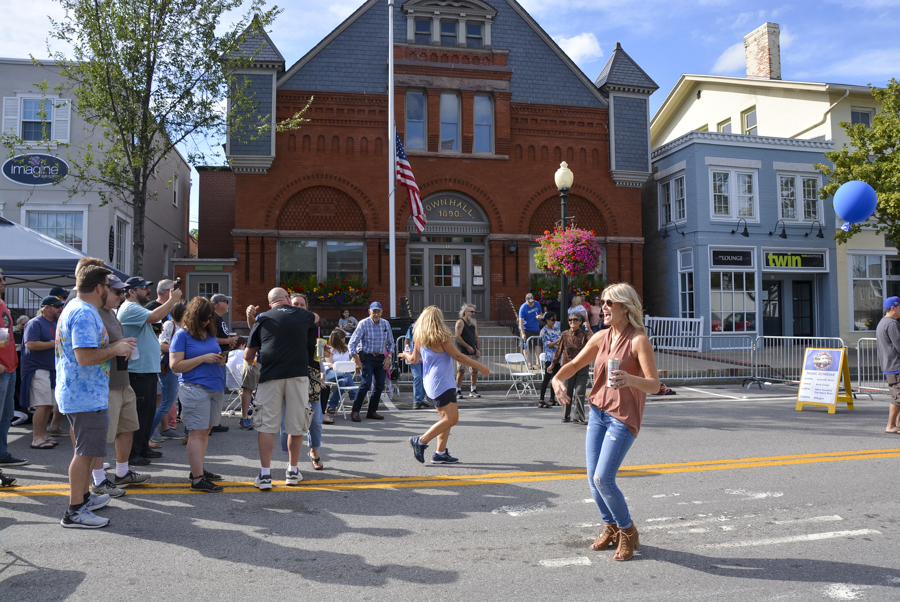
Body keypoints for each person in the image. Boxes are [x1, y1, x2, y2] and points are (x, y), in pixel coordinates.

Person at [551, 282, 660, 561]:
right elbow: (575, 365)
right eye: (603, 302)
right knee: (592, 479)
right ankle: (610, 527)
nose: (603, 308)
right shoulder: (601, 337)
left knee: (603, 478)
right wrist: (556, 379)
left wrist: (630, 379)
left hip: (623, 418)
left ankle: (627, 531)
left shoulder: (638, 341)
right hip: (598, 413)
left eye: (610, 302)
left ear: (626, 306)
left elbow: (654, 385)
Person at [56, 262, 136, 528]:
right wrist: (116, 349)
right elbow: (85, 356)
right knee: (84, 453)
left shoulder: (77, 308)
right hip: (84, 395)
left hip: (84, 393)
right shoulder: (83, 313)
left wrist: (116, 345)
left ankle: (83, 498)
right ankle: (74, 511)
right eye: (110, 287)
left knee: (88, 451)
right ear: (100, 288)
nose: (114, 293)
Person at [245, 288, 316, 489]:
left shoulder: (263, 319)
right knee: (296, 425)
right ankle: (292, 471)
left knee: (266, 426)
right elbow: (316, 318)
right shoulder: (303, 315)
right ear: (287, 299)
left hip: (270, 377)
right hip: (298, 376)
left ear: (270, 303)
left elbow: (248, 356)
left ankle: (265, 475)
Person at [403, 306, 489, 464]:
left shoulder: (420, 337)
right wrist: (479, 365)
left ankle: (440, 453)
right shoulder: (441, 337)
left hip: (431, 383)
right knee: (452, 419)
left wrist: (405, 354)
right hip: (442, 382)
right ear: (438, 319)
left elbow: (414, 360)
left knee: (445, 418)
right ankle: (420, 441)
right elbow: (458, 356)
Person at [95, 275, 151, 495]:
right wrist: (119, 345)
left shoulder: (111, 313)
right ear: (101, 290)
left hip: (122, 380)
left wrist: (123, 345)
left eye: (122, 292)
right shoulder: (93, 314)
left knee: (127, 428)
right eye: (117, 292)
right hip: (106, 384)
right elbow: (89, 351)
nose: (121, 296)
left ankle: (122, 473)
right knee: (101, 435)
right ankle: (98, 480)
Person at [119, 276, 183, 465]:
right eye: (143, 288)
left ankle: (143, 447)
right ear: (131, 291)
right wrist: (172, 300)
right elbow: (155, 316)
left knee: (147, 412)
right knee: (138, 413)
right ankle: (133, 453)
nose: (147, 291)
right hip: (137, 370)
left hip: (145, 369)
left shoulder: (137, 308)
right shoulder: (129, 308)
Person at [169, 296, 227, 493]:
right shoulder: (182, 335)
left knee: (206, 430)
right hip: (194, 387)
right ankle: (197, 478)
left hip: (214, 386)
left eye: (210, 318)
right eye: (204, 318)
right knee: (197, 431)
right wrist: (202, 358)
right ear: (194, 316)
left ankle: (198, 470)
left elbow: (212, 354)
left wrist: (220, 359)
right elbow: (175, 365)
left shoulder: (209, 333)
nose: (207, 321)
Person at [21, 296, 65, 449]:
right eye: (57, 306)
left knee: (48, 405)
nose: (60, 309)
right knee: (42, 404)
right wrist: (54, 343)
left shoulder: (53, 323)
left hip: (50, 369)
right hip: (38, 368)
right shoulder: (35, 323)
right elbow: (30, 345)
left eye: (61, 306)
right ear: (46, 307)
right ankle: (36, 438)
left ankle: (42, 435)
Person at [347, 301, 393, 422]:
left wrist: (389, 357)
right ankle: (355, 411)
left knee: (380, 385)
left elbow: (391, 343)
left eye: (378, 312)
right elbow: (352, 343)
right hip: (367, 357)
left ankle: (372, 411)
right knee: (366, 383)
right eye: (374, 312)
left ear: (381, 312)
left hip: (381, 357)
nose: (376, 314)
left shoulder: (385, 324)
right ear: (369, 312)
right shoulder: (363, 323)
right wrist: (356, 359)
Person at [0, 270, 27, 468]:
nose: (3, 282)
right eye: (0, 279)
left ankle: (1, 454)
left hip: (9, 368)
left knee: (6, 416)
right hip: (2, 369)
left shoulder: (2, 303)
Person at [152, 300, 187, 441]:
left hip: (176, 369)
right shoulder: (169, 324)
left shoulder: (183, 327)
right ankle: (149, 431)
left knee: (167, 402)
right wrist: (180, 350)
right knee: (166, 402)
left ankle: (164, 429)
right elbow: (161, 345)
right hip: (168, 368)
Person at [549, 311, 591, 423]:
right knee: (567, 391)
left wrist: (589, 328)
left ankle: (578, 417)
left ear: (580, 322)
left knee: (580, 392)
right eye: (570, 320)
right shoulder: (565, 334)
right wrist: (553, 364)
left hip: (582, 365)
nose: (572, 322)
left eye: (575, 319)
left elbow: (594, 342)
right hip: (567, 366)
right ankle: (565, 415)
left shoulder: (585, 334)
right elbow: (559, 350)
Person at [876, 296, 900, 434]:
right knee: (898, 397)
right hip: (895, 366)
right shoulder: (891, 324)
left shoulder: (883, 322)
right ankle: (890, 425)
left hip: (890, 365)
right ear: (893, 308)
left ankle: (898, 425)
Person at [323, 329, 355, 421]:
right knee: (346, 374)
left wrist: (353, 361)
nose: (344, 339)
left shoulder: (347, 348)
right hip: (330, 373)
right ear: (336, 339)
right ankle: (354, 396)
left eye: (344, 337)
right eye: (342, 337)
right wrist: (341, 368)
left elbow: (353, 358)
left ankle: (331, 406)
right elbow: (330, 365)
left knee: (342, 382)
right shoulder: (329, 349)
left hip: (344, 374)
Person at [454, 303, 481, 398]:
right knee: (461, 370)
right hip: (462, 351)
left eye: (474, 312)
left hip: (473, 350)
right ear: (465, 312)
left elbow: (476, 337)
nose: (473, 313)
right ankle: (458, 390)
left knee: (475, 370)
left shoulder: (473, 323)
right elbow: (457, 336)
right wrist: (467, 346)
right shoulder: (460, 322)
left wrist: (478, 349)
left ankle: (473, 390)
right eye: (471, 311)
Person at [538, 312, 561, 408]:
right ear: (547, 320)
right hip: (550, 357)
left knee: (555, 378)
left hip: (558, 357)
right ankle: (541, 400)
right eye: (552, 320)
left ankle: (552, 399)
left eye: (555, 320)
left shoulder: (556, 328)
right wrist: (559, 340)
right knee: (547, 379)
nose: (554, 322)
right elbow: (549, 344)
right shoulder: (544, 331)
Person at [404, 321, 428, 410]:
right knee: (418, 377)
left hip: (426, 358)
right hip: (415, 357)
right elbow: (407, 340)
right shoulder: (413, 327)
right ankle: (417, 401)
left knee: (425, 379)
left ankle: (421, 399)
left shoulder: (430, 326)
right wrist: (407, 352)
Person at [518, 293, 542, 367]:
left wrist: (540, 316)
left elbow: (540, 312)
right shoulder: (523, 308)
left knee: (538, 344)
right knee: (526, 346)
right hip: (526, 328)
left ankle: (538, 362)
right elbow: (521, 321)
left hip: (535, 327)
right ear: (526, 300)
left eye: (532, 301)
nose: (531, 303)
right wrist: (523, 333)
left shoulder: (537, 304)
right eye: (529, 302)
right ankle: (529, 363)